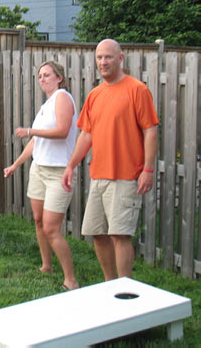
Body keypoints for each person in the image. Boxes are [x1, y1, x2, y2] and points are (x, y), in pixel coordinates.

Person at [62, 39, 158, 280]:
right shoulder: (95, 95)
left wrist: (148, 169)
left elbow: (150, 130)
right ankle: (110, 284)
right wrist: (71, 164)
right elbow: (87, 134)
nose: (103, 62)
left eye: (108, 57)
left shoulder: (137, 89)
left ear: (120, 59)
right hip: (99, 175)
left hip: (126, 176)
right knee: (97, 233)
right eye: (99, 58)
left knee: (120, 235)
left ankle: (124, 288)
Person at [3, 61, 79, 290]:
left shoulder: (63, 98)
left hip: (58, 171)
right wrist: (16, 165)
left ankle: (71, 280)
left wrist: (30, 130)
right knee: (38, 220)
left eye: (47, 75)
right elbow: (36, 142)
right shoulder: (47, 105)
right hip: (39, 169)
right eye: (40, 76)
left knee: (51, 227)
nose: (42, 79)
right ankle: (47, 265)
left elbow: (62, 131)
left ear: (59, 78)